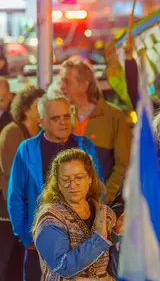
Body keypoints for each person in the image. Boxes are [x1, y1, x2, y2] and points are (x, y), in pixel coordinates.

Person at [7, 93, 105, 281]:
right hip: (40, 241)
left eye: (66, 116)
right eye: (55, 118)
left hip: (83, 242)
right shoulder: (27, 149)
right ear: (42, 121)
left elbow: (98, 188)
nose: (63, 122)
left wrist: (97, 228)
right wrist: (26, 238)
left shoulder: (84, 145)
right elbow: (16, 197)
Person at [32, 149, 123, 280]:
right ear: (58, 183)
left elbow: (118, 270)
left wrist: (118, 236)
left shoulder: (106, 214)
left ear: (90, 178)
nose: (73, 185)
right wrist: (99, 239)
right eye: (65, 179)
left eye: (79, 178)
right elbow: (64, 268)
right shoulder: (50, 219)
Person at [59, 60, 131, 204]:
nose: (62, 87)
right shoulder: (62, 116)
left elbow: (123, 165)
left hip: (101, 208)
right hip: (66, 207)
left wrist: (104, 199)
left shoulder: (113, 116)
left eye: (67, 82)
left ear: (84, 85)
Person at [0, 86, 44, 281]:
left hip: (29, 212)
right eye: (38, 105)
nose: (43, 109)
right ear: (26, 109)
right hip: (7, 215)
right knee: (7, 263)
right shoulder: (12, 132)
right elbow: (11, 179)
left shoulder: (39, 134)